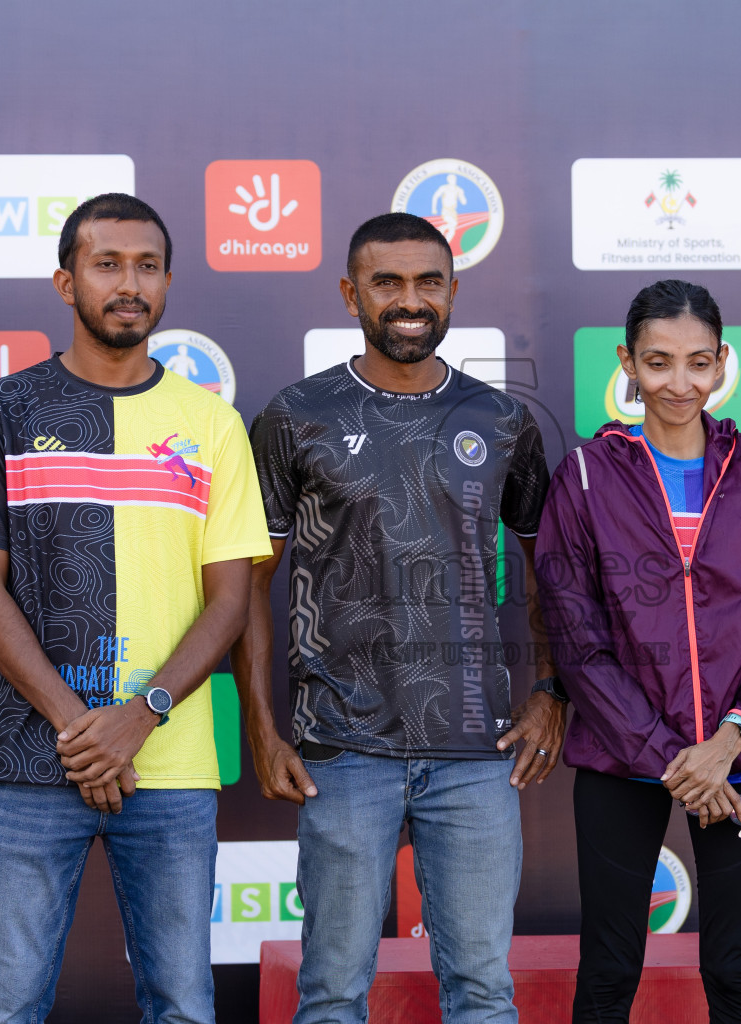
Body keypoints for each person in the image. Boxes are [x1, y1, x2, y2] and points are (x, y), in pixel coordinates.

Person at [0, 193, 270, 1024]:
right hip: (33, 758)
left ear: (167, 283)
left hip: (171, 764)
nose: (130, 284)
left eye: (148, 266)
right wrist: (83, 730)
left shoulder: (211, 422)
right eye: (107, 264)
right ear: (67, 282)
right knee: (7, 1007)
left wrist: (142, 715)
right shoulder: (4, 409)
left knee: (182, 1006)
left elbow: (231, 601)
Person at [234, 212, 566, 1024]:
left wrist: (550, 689)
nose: (410, 300)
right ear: (351, 295)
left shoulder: (502, 420)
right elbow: (247, 581)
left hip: (476, 751)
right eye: (387, 282)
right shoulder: (296, 415)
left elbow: (547, 564)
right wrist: (263, 730)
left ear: (453, 291)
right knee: (332, 993)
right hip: (343, 748)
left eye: (428, 282)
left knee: (483, 992)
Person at [535, 279, 741, 1024]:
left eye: (698, 362)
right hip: (622, 762)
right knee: (608, 968)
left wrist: (727, 743)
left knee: (734, 965)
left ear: (722, 362)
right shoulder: (586, 475)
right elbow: (577, 640)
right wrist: (675, 760)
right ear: (627, 362)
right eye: (658, 362)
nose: (679, 383)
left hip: (738, 761)